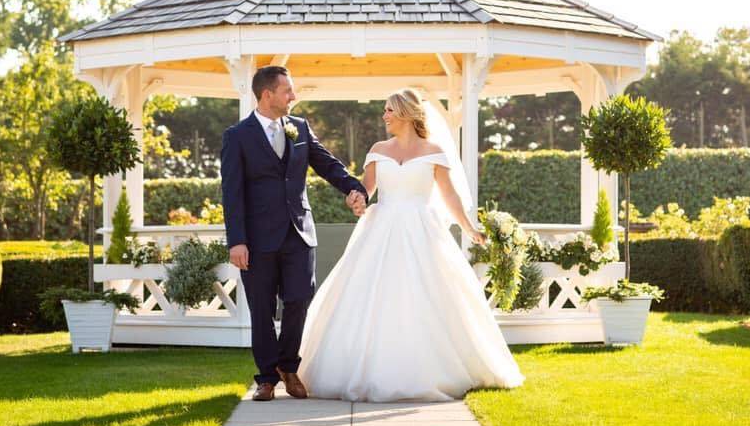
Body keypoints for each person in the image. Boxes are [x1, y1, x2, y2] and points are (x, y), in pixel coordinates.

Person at [296, 88, 524, 402]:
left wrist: (469, 227)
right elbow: (366, 189)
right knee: (373, 295)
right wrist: (357, 199)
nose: (384, 116)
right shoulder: (378, 149)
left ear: (405, 113)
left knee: (428, 294)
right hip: (381, 230)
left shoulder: (433, 151)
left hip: (422, 231)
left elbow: (449, 196)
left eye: (389, 110)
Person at [220, 65, 368, 402]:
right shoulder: (237, 136)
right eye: (288, 90)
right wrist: (237, 241)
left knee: (300, 300)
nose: (293, 96)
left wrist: (353, 188)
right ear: (267, 94)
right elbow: (232, 193)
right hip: (256, 241)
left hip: (299, 234)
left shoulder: (299, 128)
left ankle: (289, 366)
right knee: (261, 308)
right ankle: (267, 378)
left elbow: (327, 164)